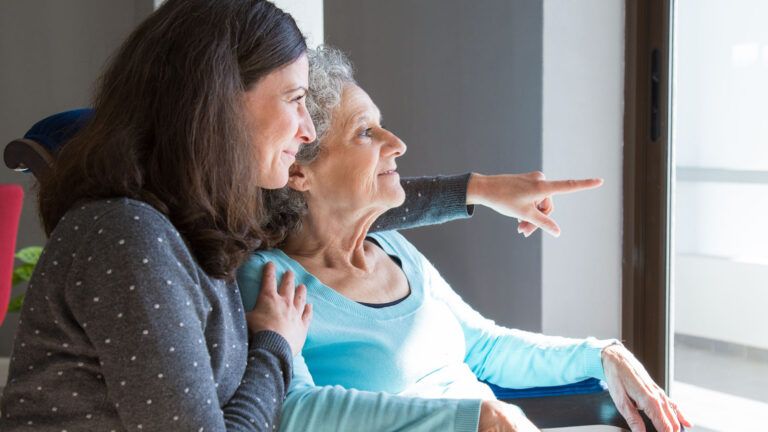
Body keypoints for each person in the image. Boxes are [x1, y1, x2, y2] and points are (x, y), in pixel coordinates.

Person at [0, 1, 604, 431]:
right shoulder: (129, 237)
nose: (308, 130)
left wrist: (480, 191)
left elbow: (338, 199)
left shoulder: (199, 224)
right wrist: (275, 347)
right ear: (218, 104)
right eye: (293, 101)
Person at [237, 46, 694, 432]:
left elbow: (485, 347)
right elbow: (296, 409)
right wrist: (471, 418)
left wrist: (601, 354)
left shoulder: (394, 248)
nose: (396, 143)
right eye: (364, 132)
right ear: (299, 171)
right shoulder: (270, 279)